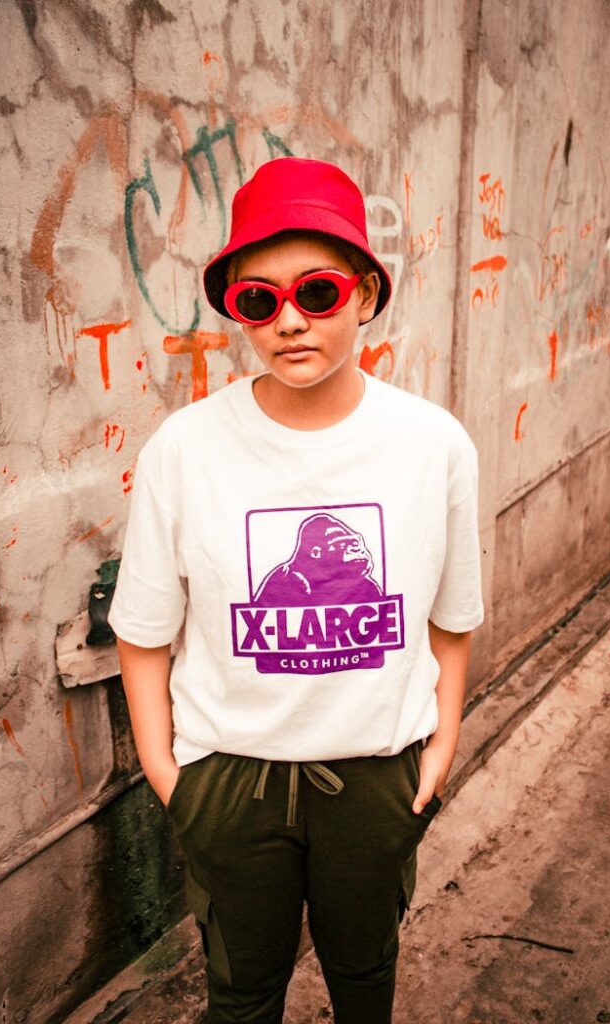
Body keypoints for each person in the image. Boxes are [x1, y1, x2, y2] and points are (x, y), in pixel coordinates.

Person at [108, 156, 484, 1024]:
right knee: (241, 996)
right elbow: (142, 631)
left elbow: (452, 617)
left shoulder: (433, 446)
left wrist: (438, 753)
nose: (288, 320)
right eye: (257, 299)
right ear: (236, 309)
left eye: (315, 293)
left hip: (374, 778)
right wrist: (174, 780)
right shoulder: (185, 447)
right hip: (230, 784)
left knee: (364, 982)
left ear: (362, 294)